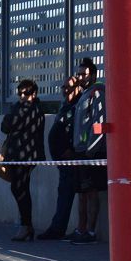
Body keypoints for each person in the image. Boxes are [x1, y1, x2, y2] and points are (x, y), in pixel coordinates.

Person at [37, 70, 84, 240]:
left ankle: (63, 229)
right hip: (62, 160)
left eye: (69, 87)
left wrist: (71, 149)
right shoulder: (65, 105)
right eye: (63, 87)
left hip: (72, 158)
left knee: (70, 193)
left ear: (77, 88)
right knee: (63, 192)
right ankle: (58, 227)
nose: (65, 90)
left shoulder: (79, 106)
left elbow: (79, 130)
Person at [0, 79, 46, 241]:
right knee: (19, 188)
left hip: (24, 155)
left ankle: (26, 226)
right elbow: (5, 126)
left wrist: (13, 114)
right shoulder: (24, 108)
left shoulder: (30, 109)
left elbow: (7, 124)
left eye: (25, 93)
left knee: (19, 188)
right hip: (20, 155)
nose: (21, 96)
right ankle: (26, 225)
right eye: (19, 93)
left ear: (33, 94)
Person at [70, 58, 107, 244]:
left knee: (91, 192)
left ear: (93, 74)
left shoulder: (98, 92)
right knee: (81, 193)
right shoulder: (84, 94)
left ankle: (90, 232)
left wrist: (92, 148)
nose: (81, 77)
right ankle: (80, 228)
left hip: (91, 153)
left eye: (84, 74)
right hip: (80, 151)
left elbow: (98, 122)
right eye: (79, 74)